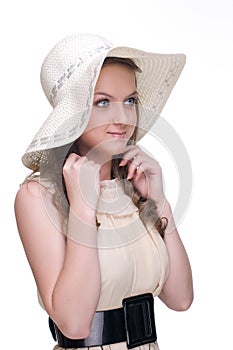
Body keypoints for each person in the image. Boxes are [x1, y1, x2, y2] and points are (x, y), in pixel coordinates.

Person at [14, 33, 193, 350]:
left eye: (130, 101)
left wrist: (159, 201)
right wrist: (83, 209)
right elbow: (74, 322)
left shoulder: (134, 191)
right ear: (72, 115)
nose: (123, 118)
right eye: (102, 102)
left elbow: (180, 298)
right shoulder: (38, 197)